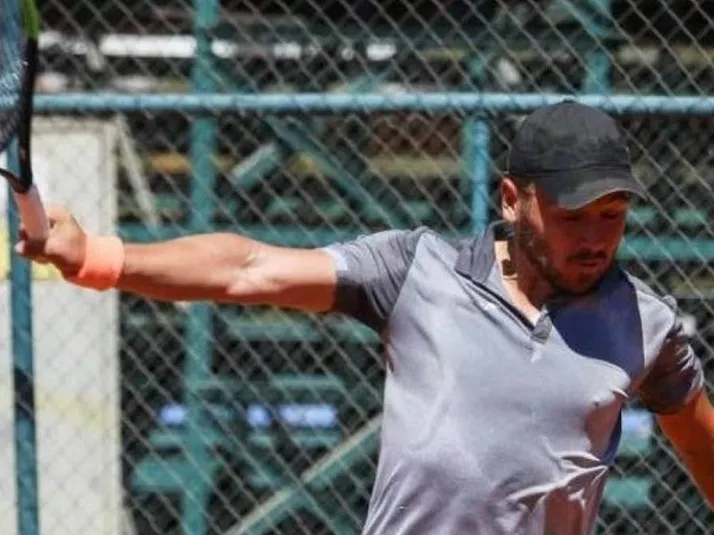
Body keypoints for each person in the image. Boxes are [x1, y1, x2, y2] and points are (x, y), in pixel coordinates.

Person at [17, 101, 714, 534]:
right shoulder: (416, 271)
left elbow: (701, 445)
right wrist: (102, 256)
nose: (595, 238)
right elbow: (249, 267)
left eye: (612, 216)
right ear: (512, 199)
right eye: (572, 216)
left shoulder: (646, 325)